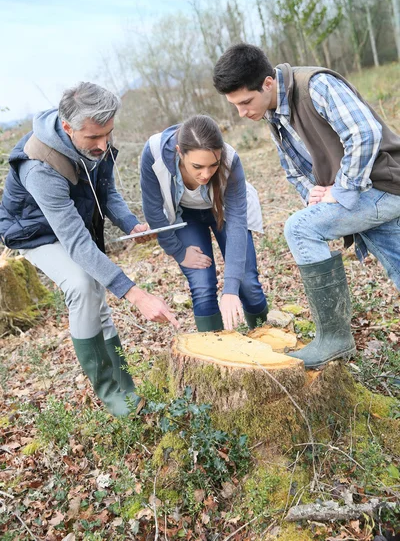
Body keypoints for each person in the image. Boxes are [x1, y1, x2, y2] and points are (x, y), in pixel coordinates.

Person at [213, 43, 400, 369]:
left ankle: (334, 338)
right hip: (366, 193)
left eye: (245, 102)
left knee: (300, 227)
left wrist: (340, 192)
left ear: (268, 83)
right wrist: (316, 194)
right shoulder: (274, 114)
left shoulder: (316, 85)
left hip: (385, 185)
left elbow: (365, 133)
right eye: (235, 106)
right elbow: (294, 170)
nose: (242, 113)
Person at [0, 82, 178, 416]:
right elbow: (76, 242)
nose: (103, 144)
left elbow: (106, 189)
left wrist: (129, 223)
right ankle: (110, 393)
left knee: (96, 288)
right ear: (67, 127)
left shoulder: (97, 137)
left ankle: (126, 388)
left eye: (107, 134)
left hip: (72, 222)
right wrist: (137, 295)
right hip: (33, 232)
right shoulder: (40, 166)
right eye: (93, 138)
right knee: (81, 285)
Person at [140, 114, 268, 332]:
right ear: (179, 152)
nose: (206, 174)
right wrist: (178, 251)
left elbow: (237, 223)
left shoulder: (230, 159)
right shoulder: (154, 152)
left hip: (224, 212)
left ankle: (265, 337)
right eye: (197, 166)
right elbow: (152, 210)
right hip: (186, 216)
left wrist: (230, 289)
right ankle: (214, 352)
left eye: (213, 165)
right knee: (202, 285)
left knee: (246, 282)